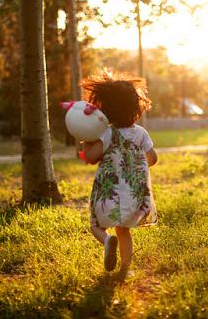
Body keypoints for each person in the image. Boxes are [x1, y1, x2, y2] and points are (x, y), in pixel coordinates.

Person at [81, 72, 158, 278]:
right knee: (124, 230)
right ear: (136, 107)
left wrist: (86, 140)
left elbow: (90, 156)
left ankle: (106, 240)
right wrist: (135, 166)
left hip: (109, 193)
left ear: (105, 109)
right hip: (133, 194)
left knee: (96, 225)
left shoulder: (106, 133)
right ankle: (125, 269)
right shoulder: (141, 133)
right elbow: (153, 158)